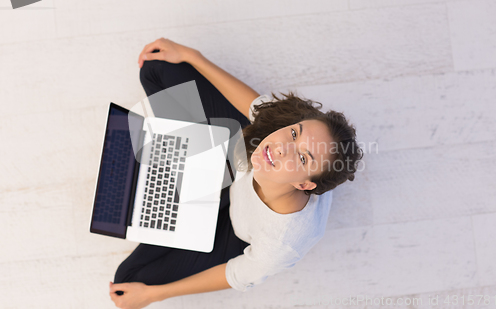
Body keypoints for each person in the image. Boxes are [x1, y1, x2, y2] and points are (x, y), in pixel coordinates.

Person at [109, 38, 363, 309]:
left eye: (301, 157)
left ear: (303, 184)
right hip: (232, 164)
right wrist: (194, 56)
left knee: (129, 281)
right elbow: (255, 107)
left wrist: (153, 295)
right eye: (293, 133)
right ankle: (192, 160)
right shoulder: (274, 136)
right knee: (156, 67)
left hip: (232, 228)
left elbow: (234, 273)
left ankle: (192, 175)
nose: (280, 148)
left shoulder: (283, 242)